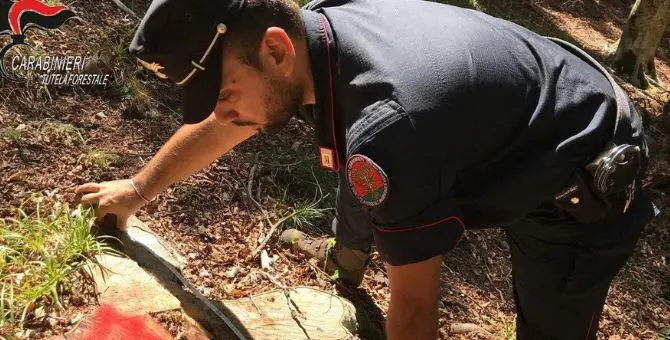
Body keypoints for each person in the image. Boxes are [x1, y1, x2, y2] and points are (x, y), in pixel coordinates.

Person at [75, 0, 661, 338]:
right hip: (498, 102)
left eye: (225, 93)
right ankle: (347, 257)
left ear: (276, 50)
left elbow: (412, 308)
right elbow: (232, 120)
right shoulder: (320, 36)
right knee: (367, 169)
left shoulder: (387, 126)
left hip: (583, 158)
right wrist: (137, 187)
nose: (225, 115)